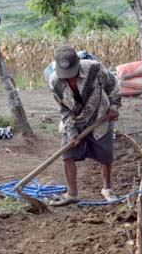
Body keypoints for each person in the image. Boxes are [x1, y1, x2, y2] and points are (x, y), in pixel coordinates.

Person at [49, 46, 121, 206]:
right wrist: (72, 132)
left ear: (78, 65)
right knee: (67, 155)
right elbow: (64, 109)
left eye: (72, 75)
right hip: (75, 119)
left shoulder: (94, 68)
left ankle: (107, 188)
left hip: (100, 115)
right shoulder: (54, 82)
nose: (70, 79)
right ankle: (72, 193)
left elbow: (113, 84)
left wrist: (114, 106)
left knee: (105, 154)